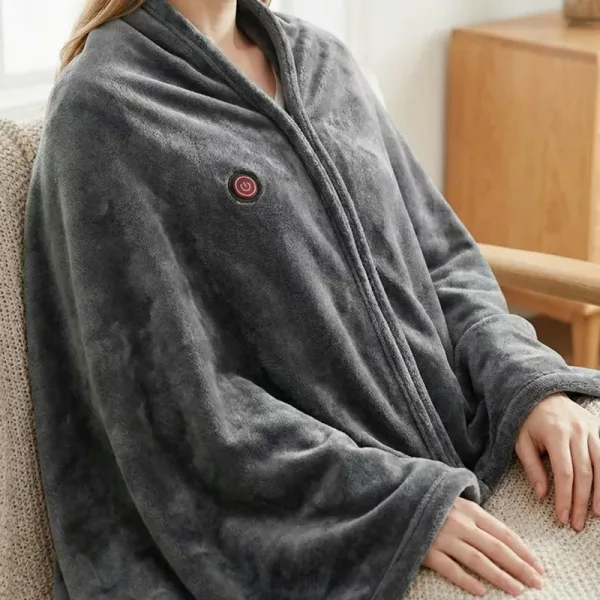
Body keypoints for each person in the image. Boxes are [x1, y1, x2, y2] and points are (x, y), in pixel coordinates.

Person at [23, 0, 600, 598]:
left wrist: (528, 385)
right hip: (335, 523)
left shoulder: (323, 60)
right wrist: (397, 509)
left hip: (481, 437)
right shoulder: (104, 108)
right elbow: (175, 405)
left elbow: (443, 257)